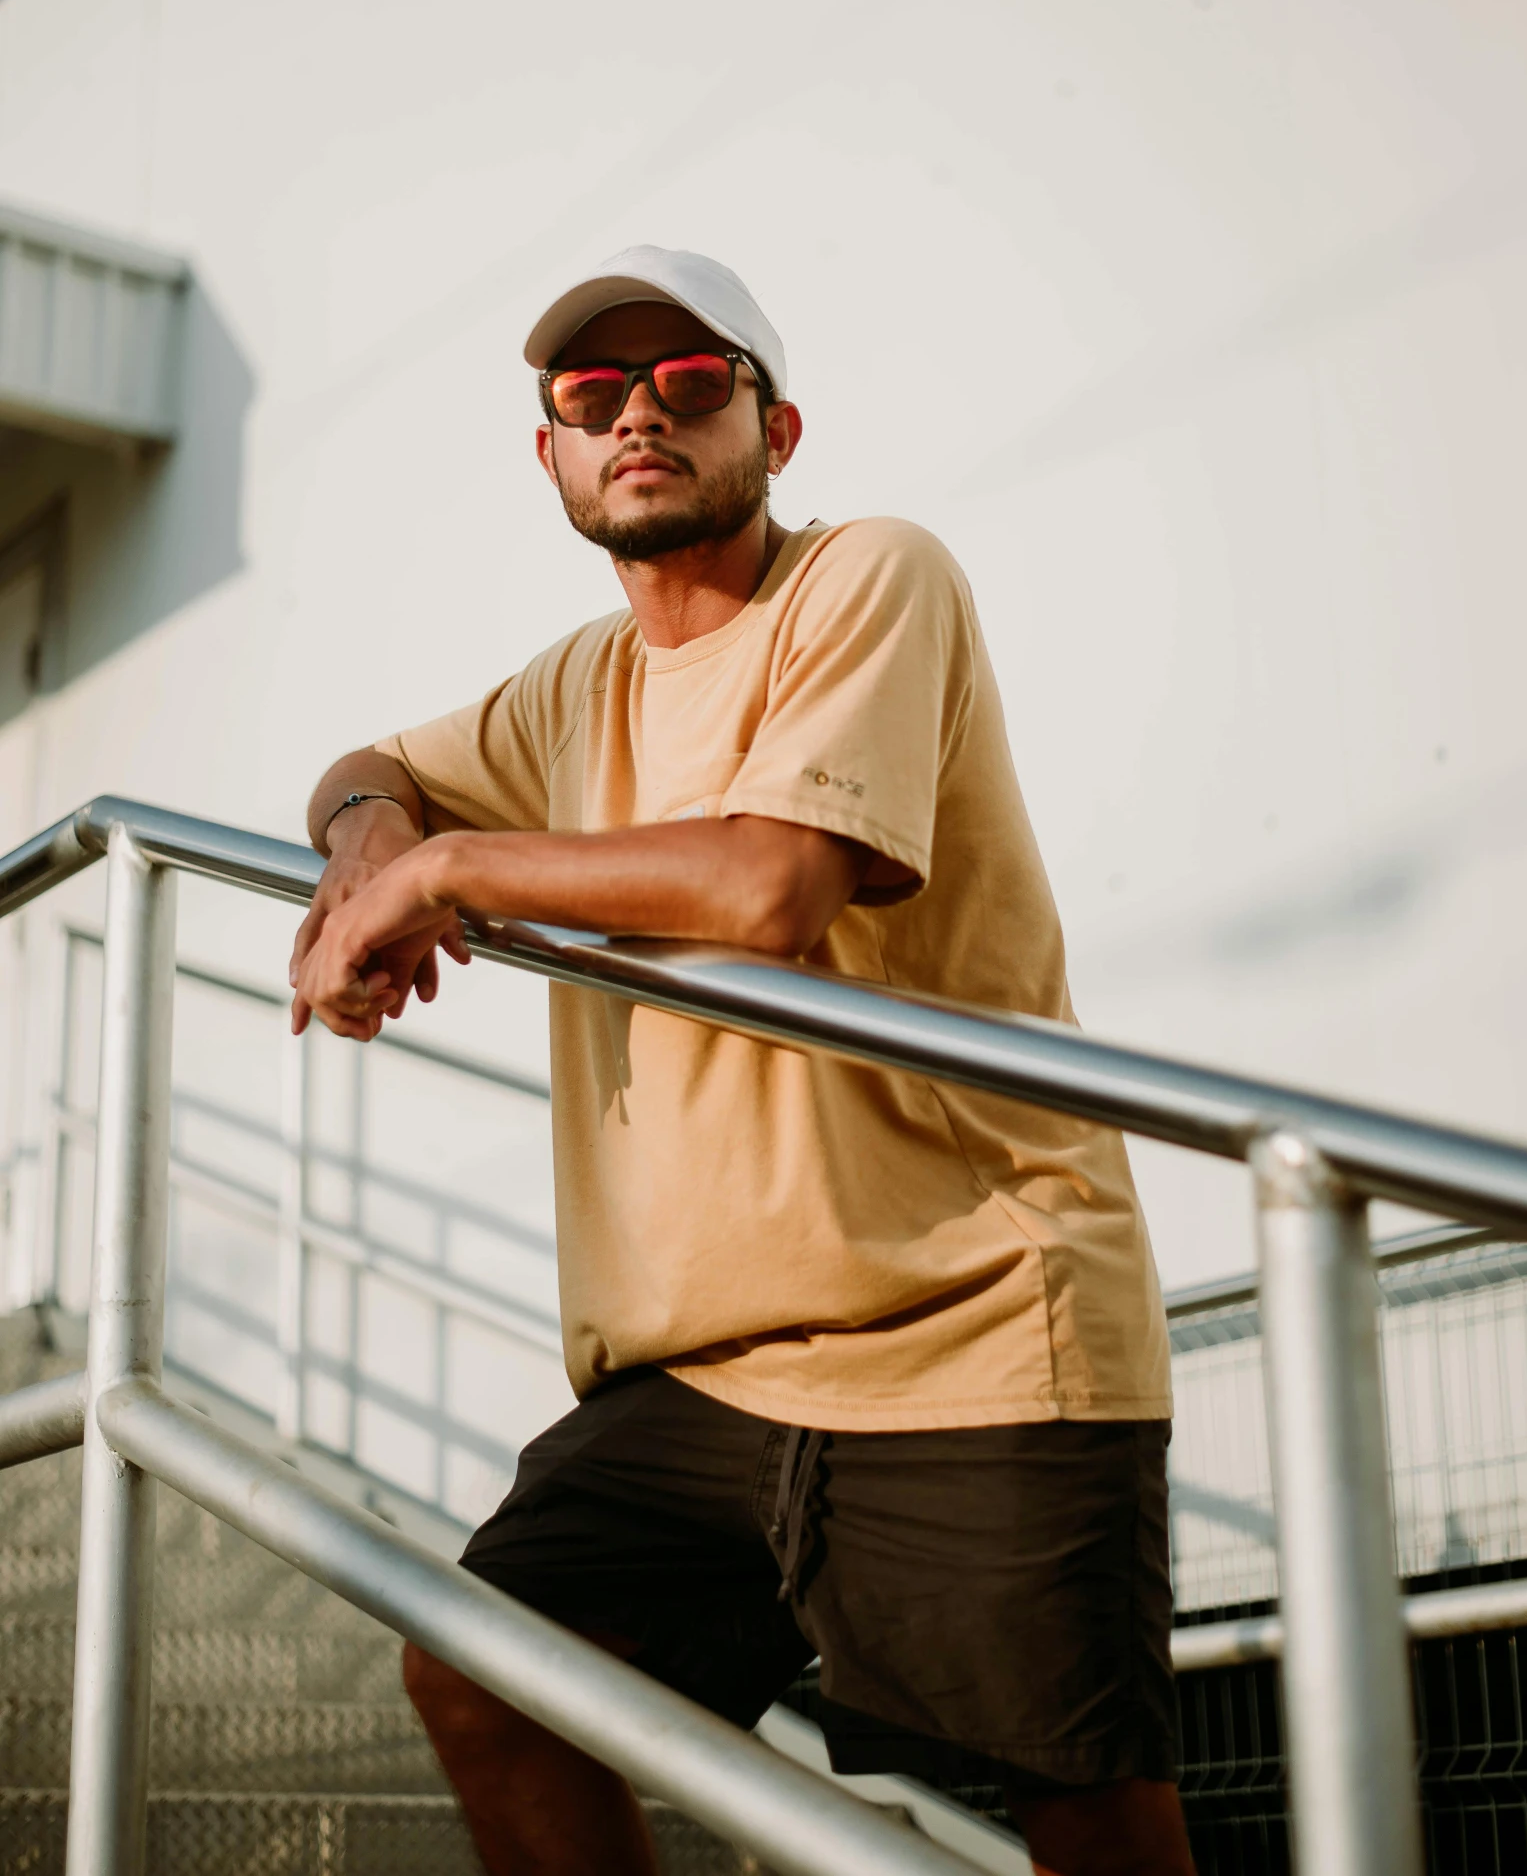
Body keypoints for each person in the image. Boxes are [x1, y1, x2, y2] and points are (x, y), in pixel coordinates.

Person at [290, 245, 1194, 1876]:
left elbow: (768, 887)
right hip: (697, 1377)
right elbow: (371, 765)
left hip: (967, 1320)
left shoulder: (869, 575)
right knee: (488, 1681)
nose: (641, 412)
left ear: (775, 433)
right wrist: (368, 847)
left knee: (1080, 1817)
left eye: (691, 383)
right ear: (553, 453)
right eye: (593, 394)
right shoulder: (576, 686)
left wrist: (443, 875)